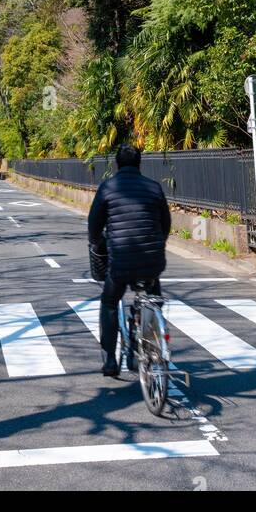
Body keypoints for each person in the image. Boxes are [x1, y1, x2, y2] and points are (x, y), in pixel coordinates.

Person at [87, 145, 171, 378]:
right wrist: (156, 244)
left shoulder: (107, 188)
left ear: (117, 164)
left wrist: (98, 244)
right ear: (139, 163)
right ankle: (148, 335)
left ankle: (111, 361)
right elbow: (166, 224)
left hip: (121, 261)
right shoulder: (154, 187)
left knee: (110, 302)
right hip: (153, 260)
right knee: (153, 296)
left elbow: (94, 227)